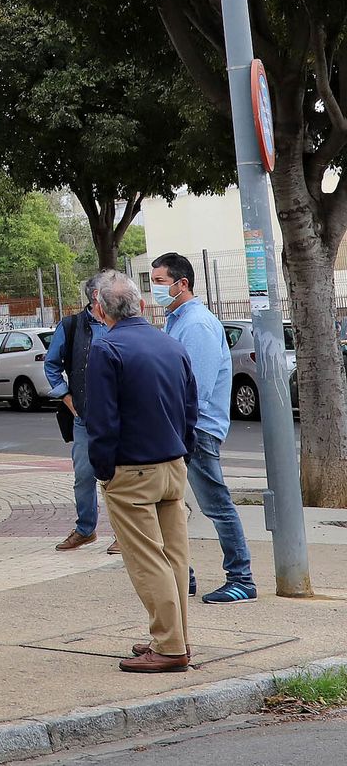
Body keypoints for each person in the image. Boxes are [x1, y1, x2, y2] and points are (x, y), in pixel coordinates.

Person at [84, 270, 198, 674]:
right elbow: (190, 409)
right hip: (173, 463)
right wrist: (183, 450)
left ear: (99, 308)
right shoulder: (170, 344)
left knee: (147, 559)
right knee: (175, 556)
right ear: (142, 305)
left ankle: (169, 646)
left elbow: (102, 420)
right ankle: (176, 638)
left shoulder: (106, 349)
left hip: (132, 470)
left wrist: (104, 470)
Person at [151, 252, 257, 604]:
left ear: (182, 284)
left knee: (215, 503)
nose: (154, 290)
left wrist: (174, 427)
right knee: (171, 502)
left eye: (160, 283)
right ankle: (185, 575)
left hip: (194, 429)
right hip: (185, 427)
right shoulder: (177, 319)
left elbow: (194, 386)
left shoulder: (195, 323)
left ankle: (241, 578)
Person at [44, 273, 105, 552]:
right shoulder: (71, 326)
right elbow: (52, 365)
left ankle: (124, 534)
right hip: (83, 418)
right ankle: (85, 529)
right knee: (83, 474)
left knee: (121, 476)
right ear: (96, 296)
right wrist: (67, 398)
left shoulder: (123, 322)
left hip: (121, 416)